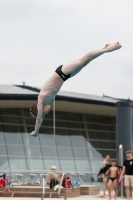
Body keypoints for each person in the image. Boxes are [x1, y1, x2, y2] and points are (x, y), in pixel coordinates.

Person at [30, 42, 122, 137]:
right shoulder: (45, 100)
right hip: (65, 76)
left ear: (38, 109)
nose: (45, 113)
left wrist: (36, 131)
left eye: (43, 113)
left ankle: (109, 49)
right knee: (85, 61)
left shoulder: (41, 100)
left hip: (62, 72)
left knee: (84, 59)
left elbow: (39, 119)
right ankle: (104, 48)